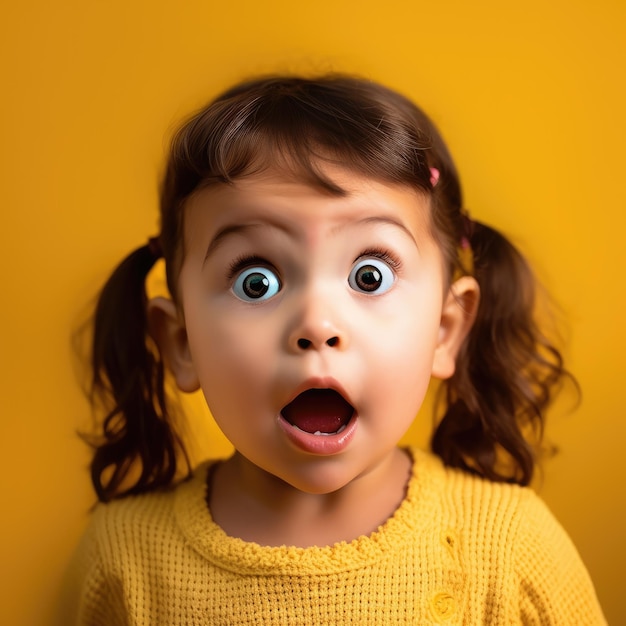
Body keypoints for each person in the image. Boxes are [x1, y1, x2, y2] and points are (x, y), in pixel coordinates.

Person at [69, 75, 606, 624]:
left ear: (444, 330)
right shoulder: (122, 559)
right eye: (256, 281)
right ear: (181, 342)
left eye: (369, 276)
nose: (316, 324)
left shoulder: (510, 547)